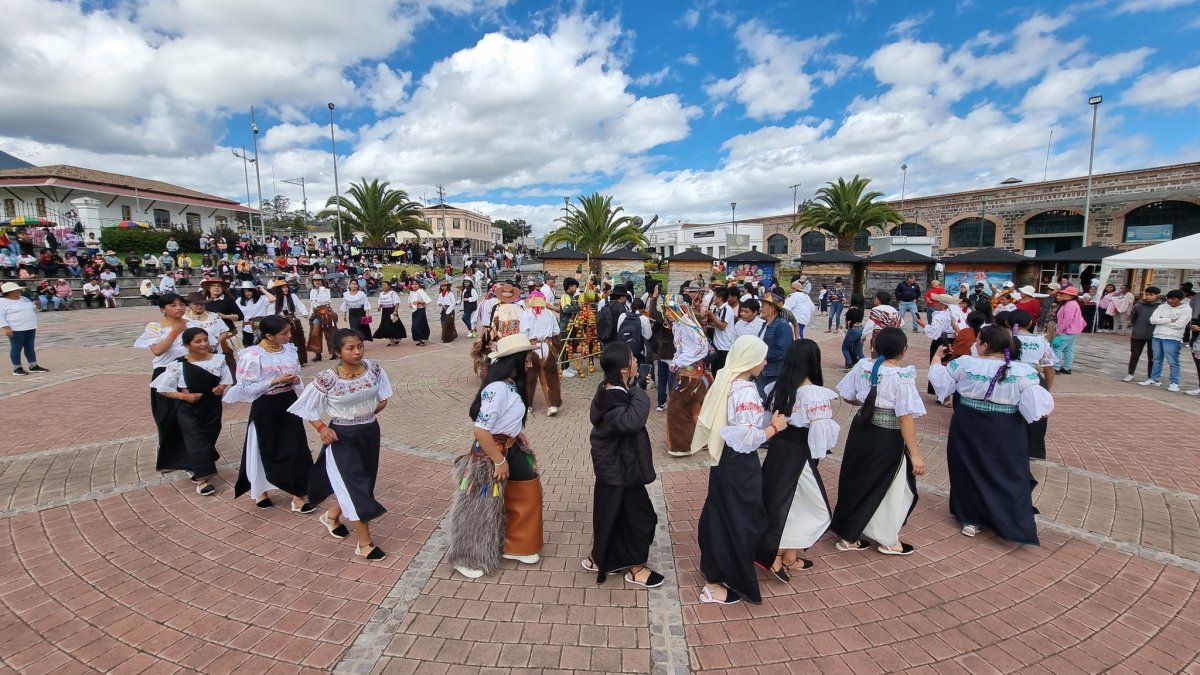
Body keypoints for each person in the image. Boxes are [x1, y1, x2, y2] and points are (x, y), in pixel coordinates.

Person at [930, 326, 1053, 543]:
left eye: (977, 341)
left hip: (968, 422)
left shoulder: (966, 363)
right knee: (1006, 470)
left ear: (985, 345)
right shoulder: (1022, 370)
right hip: (1006, 426)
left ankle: (971, 517)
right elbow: (1037, 408)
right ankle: (1006, 517)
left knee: (967, 467)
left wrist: (937, 357)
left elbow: (940, 381)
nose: (974, 345)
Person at [690, 335, 787, 605]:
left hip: (724, 460)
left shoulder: (727, 381)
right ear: (751, 360)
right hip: (739, 462)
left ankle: (717, 572)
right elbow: (747, 438)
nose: (765, 361)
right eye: (762, 357)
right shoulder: (744, 390)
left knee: (723, 514)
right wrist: (775, 427)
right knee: (740, 519)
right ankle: (716, 581)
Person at [289, 329, 393, 561]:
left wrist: (367, 412)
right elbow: (306, 407)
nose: (357, 352)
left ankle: (331, 515)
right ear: (338, 352)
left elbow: (383, 398)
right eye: (350, 348)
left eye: (360, 346)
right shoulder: (327, 378)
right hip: (342, 436)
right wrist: (322, 428)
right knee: (356, 487)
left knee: (364, 483)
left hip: (369, 432)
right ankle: (365, 544)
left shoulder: (373, 369)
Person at [447, 334, 545, 579]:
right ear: (515, 359)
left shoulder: (511, 383)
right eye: (527, 356)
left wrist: (516, 434)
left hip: (510, 447)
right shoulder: (497, 387)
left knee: (527, 488)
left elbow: (504, 418)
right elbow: (480, 429)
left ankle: (518, 543)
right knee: (480, 506)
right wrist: (499, 461)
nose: (530, 360)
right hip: (489, 454)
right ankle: (466, 556)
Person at [832, 328, 927, 556]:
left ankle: (848, 535)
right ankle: (887, 539)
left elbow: (848, 396)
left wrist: (869, 402)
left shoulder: (863, 366)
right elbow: (905, 418)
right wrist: (915, 454)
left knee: (856, 478)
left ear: (874, 346)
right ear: (904, 350)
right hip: (887, 436)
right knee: (891, 487)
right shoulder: (901, 377)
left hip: (862, 429)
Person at [756, 340, 839, 580]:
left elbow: (767, 422)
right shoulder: (814, 394)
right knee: (813, 507)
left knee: (782, 503)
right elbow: (822, 436)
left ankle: (788, 556)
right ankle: (772, 553)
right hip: (800, 455)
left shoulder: (778, 388)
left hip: (778, 451)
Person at [584, 343, 663, 587]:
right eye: (632, 359)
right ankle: (635, 568)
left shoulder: (612, 390)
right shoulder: (613, 397)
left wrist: (633, 386)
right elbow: (632, 420)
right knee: (641, 519)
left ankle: (599, 558)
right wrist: (639, 389)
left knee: (612, 517)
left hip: (618, 470)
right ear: (623, 368)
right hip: (620, 471)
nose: (637, 361)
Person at [226, 315, 315, 512]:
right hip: (266, 405)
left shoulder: (290, 351)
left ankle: (297, 493)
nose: (289, 336)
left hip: (289, 401)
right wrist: (274, 381)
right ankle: (260, 490)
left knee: (296, 446)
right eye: (284, 333)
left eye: (289, 332)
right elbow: (245, 387)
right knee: (264, 446)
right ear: (269, 335)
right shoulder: (252, 355)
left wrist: (294, 380)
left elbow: (298, 376)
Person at [150, 326, 232, 496]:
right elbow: (163, 389)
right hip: (188, 408)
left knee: (209, 438)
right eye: (198, 341)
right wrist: (185, 397)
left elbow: (226, 378)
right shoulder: (178, 365)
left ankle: (196, 465)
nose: (203, 344)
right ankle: (203, 480)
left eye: (205, 340)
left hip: (212, 407)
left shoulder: (218, 360)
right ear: (187, 345)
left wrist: (221, 387)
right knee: (197, 440)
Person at [1003, 310, 1056, 459]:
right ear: (1030, 323)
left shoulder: (1004, 338)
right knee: (1037, 412)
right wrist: (1047, 388)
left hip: (1009, 376)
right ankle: (1034, 451)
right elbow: (1049, 367)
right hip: (1034, 378)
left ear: (1007, 323)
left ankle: (1008, 446)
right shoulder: (1041, 341)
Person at [665, 294, 711, 457]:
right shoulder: (678, 325)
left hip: (692, 374)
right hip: (685, 373)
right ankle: (702, 441)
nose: (667, 313)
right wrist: (676, 360)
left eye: (670, 309)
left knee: (677, 407)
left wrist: (681, 361)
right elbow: (681, 349)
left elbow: (702, 347)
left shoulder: (688, 325)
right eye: (666, 310)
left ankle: (683, 445)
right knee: (693, 409)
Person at [521, 291, 562, 416]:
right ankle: (552, 405)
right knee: (548, 377)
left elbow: (523, 332)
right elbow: (556, 331)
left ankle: (528, 405)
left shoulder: (526, 314)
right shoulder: (550, 314)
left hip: (531, 346)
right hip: (546, 346)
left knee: (529, 377)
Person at [1141, 289, 1191, 392]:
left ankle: (1174, 382)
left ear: (1180, 299)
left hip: (1172, 337)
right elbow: (1153, 320)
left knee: (1173, 361)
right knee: (1156, 359)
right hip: (1158, 335)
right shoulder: (1162, 306)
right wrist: (1169, 320)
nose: (1170, 301)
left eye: (1173, 299)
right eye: (1168, 298)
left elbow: (1180, 325)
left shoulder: (1186, 309)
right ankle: (1154, 378)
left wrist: (1162, 321)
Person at [0, 282, 46, 375]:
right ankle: (17, 368)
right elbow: (1, 316)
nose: (19, 291)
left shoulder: (24, 299)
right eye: (17, 290)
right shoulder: (2, 302)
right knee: (16, 347)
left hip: (30, 326)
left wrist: (38, 305)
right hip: (16, 328)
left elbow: (34, 309)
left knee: (30, 347)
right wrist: (6, 327)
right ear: (9, 292)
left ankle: (33, 365)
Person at [757, 290, 793, 398]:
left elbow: (781, 351)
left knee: (770, 403)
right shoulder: (765, 325)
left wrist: (760, 357)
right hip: (763, 371)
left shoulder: (783, 326)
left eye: (763, 306)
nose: (760, 309)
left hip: (774, 373)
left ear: (772, 308)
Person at [1124, 286, 1162, 383]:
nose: (1148, 296)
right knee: (1135, 354)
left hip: (1154, 334)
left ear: (1157, 295)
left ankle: (1151, 376)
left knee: (1153, 356)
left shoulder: (1161, 307)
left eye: (1151, 295)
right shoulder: (1138, 306)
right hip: (1138, 333)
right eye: (1147, 294)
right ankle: (1130, 373)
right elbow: (1133, 319)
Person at [270, 278, 310, 365]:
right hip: (281, 322)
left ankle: (300, 359)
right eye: (282, 287)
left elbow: (300, 305)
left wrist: (304, 313)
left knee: (298, 341)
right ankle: (286, 360)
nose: (285, 289)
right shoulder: (275, 299)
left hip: (293, 321)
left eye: (286, 287)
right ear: (278, 289)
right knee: (285, 341)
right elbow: (270, 312)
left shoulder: (293, 296)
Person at [1051, 287, 1085, 375]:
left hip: (1068, 330)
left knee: (1057, 348)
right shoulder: (1073, 303)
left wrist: (1059, 330)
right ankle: (1067, 367)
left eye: (1066, 294)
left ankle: (1056, 367)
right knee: (1068, 349)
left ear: (1071, 295)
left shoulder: (1070, 304)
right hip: (1073, 330)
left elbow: (1067, 319)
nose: (1064, 295)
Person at [307, 274, 339, 361]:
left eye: (319, 280)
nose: (317, 282)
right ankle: (317, 353)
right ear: (313, 282)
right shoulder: (312, 291)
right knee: (315, 333)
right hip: (316, 313)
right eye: (315, 280)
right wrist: (310, 314)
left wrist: (320, 290)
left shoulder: (326, 290)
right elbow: (312, 304)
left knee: (330, 333)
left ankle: (334, 352)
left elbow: (324, 300)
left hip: (326, 313)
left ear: (322, 282)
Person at [372, 280, 406, 346]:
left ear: (389, 286)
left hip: (392, 310)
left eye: (385, 285)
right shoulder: (381, 294)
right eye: (383, 285)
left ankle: (398, 336)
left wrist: (395, 310)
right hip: (385, 311)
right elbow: (380, 302)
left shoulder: (392, 293)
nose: (384, 286)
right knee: (385, 325)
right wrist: (379, 307)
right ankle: (391, 340)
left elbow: (397, 303)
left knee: (394, 324)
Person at [841, 302, 865, 370]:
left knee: (845, 348)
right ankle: (865, 365)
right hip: (861, 329)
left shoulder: (851, 314)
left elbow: (847, 322)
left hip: (853, 331)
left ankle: (849, 364)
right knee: (859, 351)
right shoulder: (860, 311)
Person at [408, 280, 432, 346]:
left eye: (416, 284)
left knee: (420, 324)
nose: (414, 286)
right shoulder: (411, 293)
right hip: (414, 311)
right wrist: (410, 304)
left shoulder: (421, 292)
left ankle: (423, 337)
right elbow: (409, 301)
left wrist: (419, 301)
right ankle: (418, 338)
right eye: (413, 284)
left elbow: (426, 300)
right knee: (414, 325)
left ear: (419, 285)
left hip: (421, 310)